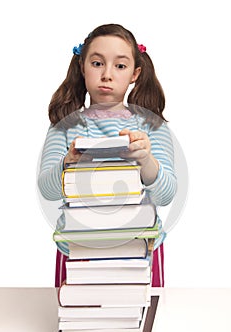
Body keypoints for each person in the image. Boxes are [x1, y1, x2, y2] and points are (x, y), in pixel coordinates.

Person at [38, 23, 177, 287]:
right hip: (79, 245)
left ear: (135, 73)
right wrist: (67, 163)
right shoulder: (64, 125)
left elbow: (166, 194)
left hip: (140, 246)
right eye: (97, 63)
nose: (107, 75)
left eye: (120, 66)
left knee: (138, 320)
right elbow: (48, 190)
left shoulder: (151, 126)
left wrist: (146, 160)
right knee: (80, 316)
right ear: (82, 67)